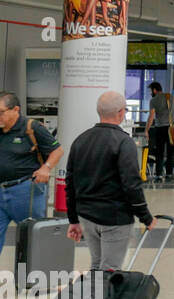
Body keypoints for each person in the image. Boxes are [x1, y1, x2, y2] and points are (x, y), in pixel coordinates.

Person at [65, 91, 155, 272]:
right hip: (115, 218)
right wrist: (145, 217)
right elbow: (131, 185)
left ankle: (93, 298)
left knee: (97, 265)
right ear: (121, 112)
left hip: (87, 216)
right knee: (110, 270)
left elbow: (70, 182)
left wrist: (73, 219)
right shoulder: (123, 142)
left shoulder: (80, 140)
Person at [0, 91, 62, 244]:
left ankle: (31, 268)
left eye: (1, 112)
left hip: (25, 190)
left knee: (31, 240)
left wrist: (46, 168)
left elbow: (57, 150)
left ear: (16, 110)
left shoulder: (31, 128)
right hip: (1, 190)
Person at [145, 81, 174, 181]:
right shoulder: (172, 97)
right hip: (172, 128)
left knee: (159, 152)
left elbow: (151, 117)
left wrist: (146, 130)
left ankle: (159, 175)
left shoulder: (154, 100)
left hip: (160, 128)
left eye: (151, 90)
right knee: (170, 152)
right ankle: (169, 174)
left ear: (154, 90)